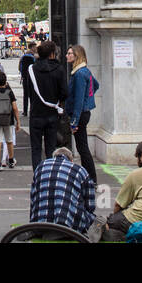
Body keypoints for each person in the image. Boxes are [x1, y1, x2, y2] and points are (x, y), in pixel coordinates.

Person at [29, 146, 100, 241]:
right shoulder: (79, 169)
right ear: (71, 160)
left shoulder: (40, 166)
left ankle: (39, 230)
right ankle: (61, 230)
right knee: (99, 221)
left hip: (38, 223)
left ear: (54, 157)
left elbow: (33, 197)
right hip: (68, 225)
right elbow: (90, 205)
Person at [24, 40, 69, 169]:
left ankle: (37, 176)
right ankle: (49, 175)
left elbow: (29, 92)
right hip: (52, 113)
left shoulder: (32, 69)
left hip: (36, 112)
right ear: (52, 54)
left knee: (36, 148)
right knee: (51, 148)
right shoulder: (59, 69)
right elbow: (65, 92)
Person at [65, 43, 99, 183]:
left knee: (82, 148)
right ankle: (89, 177)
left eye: (70, 54)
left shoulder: (79, 74)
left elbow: (78, 100)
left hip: (79, 114)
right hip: (84, 112)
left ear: (76, 56)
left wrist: (74, 121)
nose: (67, 56)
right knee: (82, 147)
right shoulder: (85, 71)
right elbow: (95, 85)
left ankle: (91, 178)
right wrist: (88, 98)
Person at [0, 70, 20, 171]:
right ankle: (10, 159)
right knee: (9, 141)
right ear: (5, 81)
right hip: (8, 120)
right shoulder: (10, 93)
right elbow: (14, 108)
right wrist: (17, 121)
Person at [18, 41, 37, 120]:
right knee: (33, 94)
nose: (36, 48)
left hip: (25, 78)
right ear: (32, 47)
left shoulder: (24, 56)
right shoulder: (34, 57)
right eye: (35, 46)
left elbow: (19, 67)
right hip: (32, 78)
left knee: (25, 94)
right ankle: (33, 110)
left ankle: (25, 110)